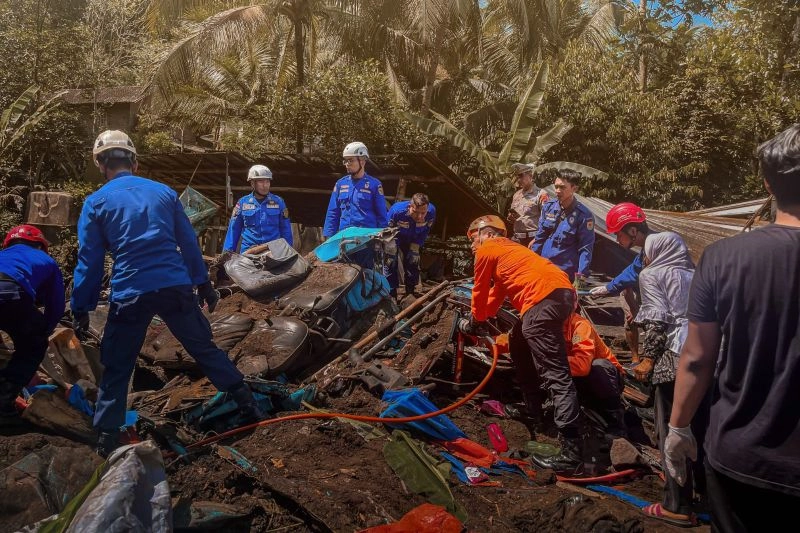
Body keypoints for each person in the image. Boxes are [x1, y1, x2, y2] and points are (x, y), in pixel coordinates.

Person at [71, 130, 264, 457]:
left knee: (118, 364)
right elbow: (189, 244)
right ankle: (247, 405)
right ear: (134, 160)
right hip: (174, 285)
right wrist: (203, 285)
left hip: (130, 291)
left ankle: (105, 439)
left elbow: (88, 262)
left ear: (101, 164)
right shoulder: (163, 193)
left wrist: (81, 306)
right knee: (203, 347)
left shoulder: (96, 203)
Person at [666, 124, 800, 532]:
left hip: (740, 455)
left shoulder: (723, 257)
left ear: (766, 183)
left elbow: (697, 359)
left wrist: (677, 427)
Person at [464, 215, 583, 474]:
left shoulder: (488, 249)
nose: (473, 246)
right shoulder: (513, 254)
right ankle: (533, 409)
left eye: (473, 238)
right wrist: (481, 317)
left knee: (556, 374)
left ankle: (572, 453)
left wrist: (472, 322)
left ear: (487, 233)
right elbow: (495, 299)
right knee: (518, 338)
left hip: (543, 300)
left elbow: (479, 290)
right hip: (559, 294)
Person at [632, 232, 699, 527]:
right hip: (708, 353)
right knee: (700, 430)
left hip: (673, 356)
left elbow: (658, 321)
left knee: (672, 431)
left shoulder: (652, 273)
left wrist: (647, 359)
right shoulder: (695, 273)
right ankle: (707, 498)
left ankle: (677, 504)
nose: (644, 257)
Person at [504, 308, 626, 442]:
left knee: (599, 366)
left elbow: (582, 366)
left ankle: (616, 424)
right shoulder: (543, 326)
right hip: (575, 380)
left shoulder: (579, 326)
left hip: (605, 380)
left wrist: (551, 361)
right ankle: (535, 411)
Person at [0, 225, 64, 424]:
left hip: (10, 290)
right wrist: (43, 332)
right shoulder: (47, 261)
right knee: (32, 345)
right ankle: (3, 403)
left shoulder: (3, 255)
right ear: (40, 245)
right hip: (11, 292)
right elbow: (56, 305)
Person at [589, 202, 654, 365]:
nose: (617, 240)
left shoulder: (656, 248)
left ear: (633, 231)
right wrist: (608, 287)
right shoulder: (646, 249)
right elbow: (634, 269)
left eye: (618, 235)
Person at [323, 142, 388, 268]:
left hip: (366, 240)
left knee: (365, 276)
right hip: (344, 240)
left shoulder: (374, 185)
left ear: (362, 161)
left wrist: (381, 239)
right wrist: (329, 238)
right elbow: (333, 213)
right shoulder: (340, 184)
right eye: (345, 161)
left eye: (351, 160)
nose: (347, 164)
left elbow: (381, 215)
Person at [532, 169, 595, 288]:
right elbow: (539, 239)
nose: (557, 191)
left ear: (574, 189)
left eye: (562, 187)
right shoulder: (549, 208)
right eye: (556, 187)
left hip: (565, 275)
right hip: (544, 269)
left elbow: (585, 250)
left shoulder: (584, 216)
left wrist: (579, 282)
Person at [222, 164, 293, 255]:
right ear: (252, 183)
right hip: (248, 252)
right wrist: (226, 254)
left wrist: (289, 252)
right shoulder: (243, 203)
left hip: (273, 251)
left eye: (267, 181)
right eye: (261, 181)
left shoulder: (278, 202)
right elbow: (233, 230)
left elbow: (285, 229)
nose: (265, 185)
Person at [385, 193, 436, 297]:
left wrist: (416, 245)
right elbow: (387, 229)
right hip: (396, 238)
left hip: (414, 239)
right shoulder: (396, 211)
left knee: (413, 261)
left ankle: (410, 293)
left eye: (423, 213)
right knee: (391, 262)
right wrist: (390, 245)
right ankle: (391, 294)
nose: (420, 216)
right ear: (410, 207)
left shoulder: (431, 212)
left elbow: (426, 230)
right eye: (416, 212)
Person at [507, 163, 549, 247]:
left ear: (531, 176)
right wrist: (510, 217)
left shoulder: (541, 194)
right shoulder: (516, 195)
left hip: (533, 239)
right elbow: (512, 216)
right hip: (517, 239)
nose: (518, 179)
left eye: (521, 176)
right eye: (517, 176)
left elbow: (547, 219)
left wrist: (537, 239)